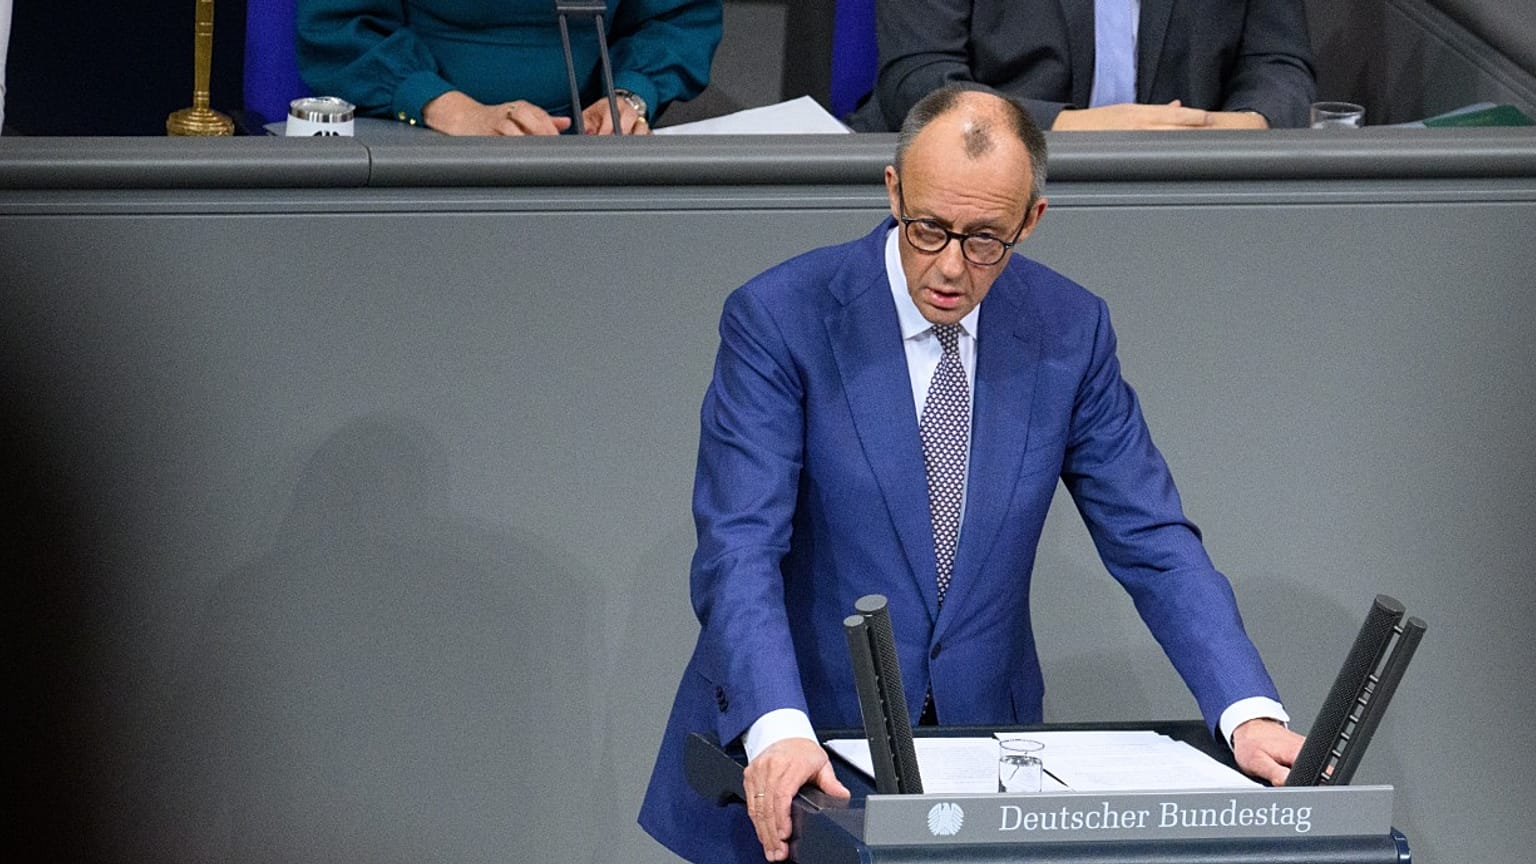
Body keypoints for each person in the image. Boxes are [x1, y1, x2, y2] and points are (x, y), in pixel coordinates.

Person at [638, 86, 1305, 864]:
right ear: (893, 193)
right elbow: (738, 547)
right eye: (927, 230)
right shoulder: (782, 317)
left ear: (1032, 221)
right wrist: (779, 729)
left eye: (987, 238)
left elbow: (1151, 536)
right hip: (801, 752)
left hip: (982, 769)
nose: (951, 266)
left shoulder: (1070, 330)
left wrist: (1246, 709)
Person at [869, 0, 1315, 131]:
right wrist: (1069, 127)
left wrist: (1249, 125)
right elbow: (920, 81)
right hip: (989, 179)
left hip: (1184, 183)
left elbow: (1277, 64)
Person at [296, 0, 721, 135]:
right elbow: (342, 25)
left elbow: (677, 19)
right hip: (416, 138)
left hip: (593, 152)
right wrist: (451, 110)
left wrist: (628, 96)